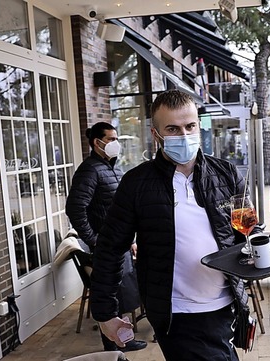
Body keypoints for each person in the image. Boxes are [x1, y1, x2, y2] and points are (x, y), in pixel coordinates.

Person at [90, 90, 250, 361]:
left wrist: (262, 246)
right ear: (156, 135)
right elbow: (109, 248)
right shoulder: (136, 183)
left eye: (190, 126)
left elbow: (246, 229)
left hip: (225, 303)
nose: (184, 135)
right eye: (173, 129)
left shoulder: (227, 173)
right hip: (176, 311)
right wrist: (105, 313)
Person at [66, 122, 147, 353]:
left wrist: (130, 240)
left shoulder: (112, 168)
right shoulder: (90, 169)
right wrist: (94, 240)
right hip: (105, 247)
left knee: (122, 293)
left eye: (116, 138)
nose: (115, 144)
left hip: (120, 244)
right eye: (111, 139)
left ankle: (122, 338)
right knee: (111, 295)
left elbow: (120, 209)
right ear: (97, 143)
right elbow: (75, 208)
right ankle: (113, 346)